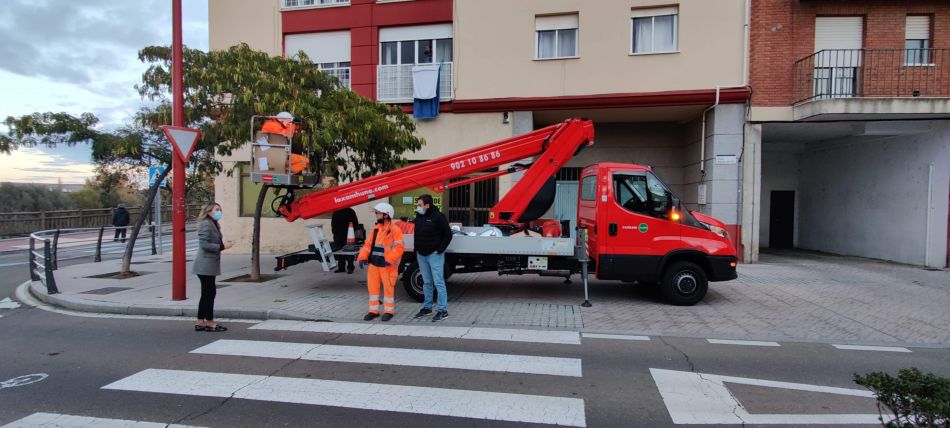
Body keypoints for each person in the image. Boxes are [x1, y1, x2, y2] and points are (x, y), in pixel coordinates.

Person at [356, 202, 404, 322]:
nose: (376, 214)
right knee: (373, 288)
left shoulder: (395, 230)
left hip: (387, 265)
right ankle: (373, 311)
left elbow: (399, 248)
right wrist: (362, 257)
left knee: (388, 289)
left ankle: (388, 311)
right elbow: (367, 245)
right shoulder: (376, 229)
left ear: (386, 215)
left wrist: (390, 260)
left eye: (378, 212)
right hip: (374, 264)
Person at [193, 202, 233, 332]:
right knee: (209, 293)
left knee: (207, 293)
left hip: (208, 264)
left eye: (220, 209)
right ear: (209, 211)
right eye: (217, 209)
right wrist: (222, 247)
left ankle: (200, 321)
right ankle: (209, 322)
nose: (219, 212)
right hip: (205, 265)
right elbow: (204, 244)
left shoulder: (213, 223)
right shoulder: (206, 224)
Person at [412, 194, 453, 322]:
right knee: (427, 282)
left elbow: (448, 235)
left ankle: (442, 310)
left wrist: (439, 250)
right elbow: (417, 233)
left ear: (427, 206)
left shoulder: (439, 217)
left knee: (438, 282)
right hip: (421, 254)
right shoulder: (419, 216)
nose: (418, 207)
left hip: (434, 255)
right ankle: (427, 307)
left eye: (420, 205)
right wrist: (416, 249)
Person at [330, 207, 359, 274]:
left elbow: (355, 223)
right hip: (338, 235)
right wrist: (334, 231)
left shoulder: (350, 211)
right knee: (339, 251)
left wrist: (352, 233)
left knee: (349, 251)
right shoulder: (336, 211)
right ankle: (341, 267)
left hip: (348, 235)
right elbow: (333, 222)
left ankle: (350, 267)